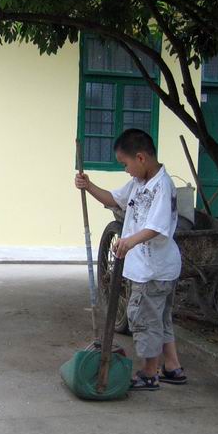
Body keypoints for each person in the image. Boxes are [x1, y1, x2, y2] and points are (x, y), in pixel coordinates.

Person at [75, 129, 186, 390]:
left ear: (141, 158)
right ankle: (172, 367)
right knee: (160, 320)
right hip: (154, 269)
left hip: (153, 270)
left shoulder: (162, 186)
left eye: (125, 164)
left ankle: (149, 373)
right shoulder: (139, 183)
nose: (125, 170)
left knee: (145, 321)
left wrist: (130, 240)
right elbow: (114, 199)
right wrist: (89, 186)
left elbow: (157, 227)